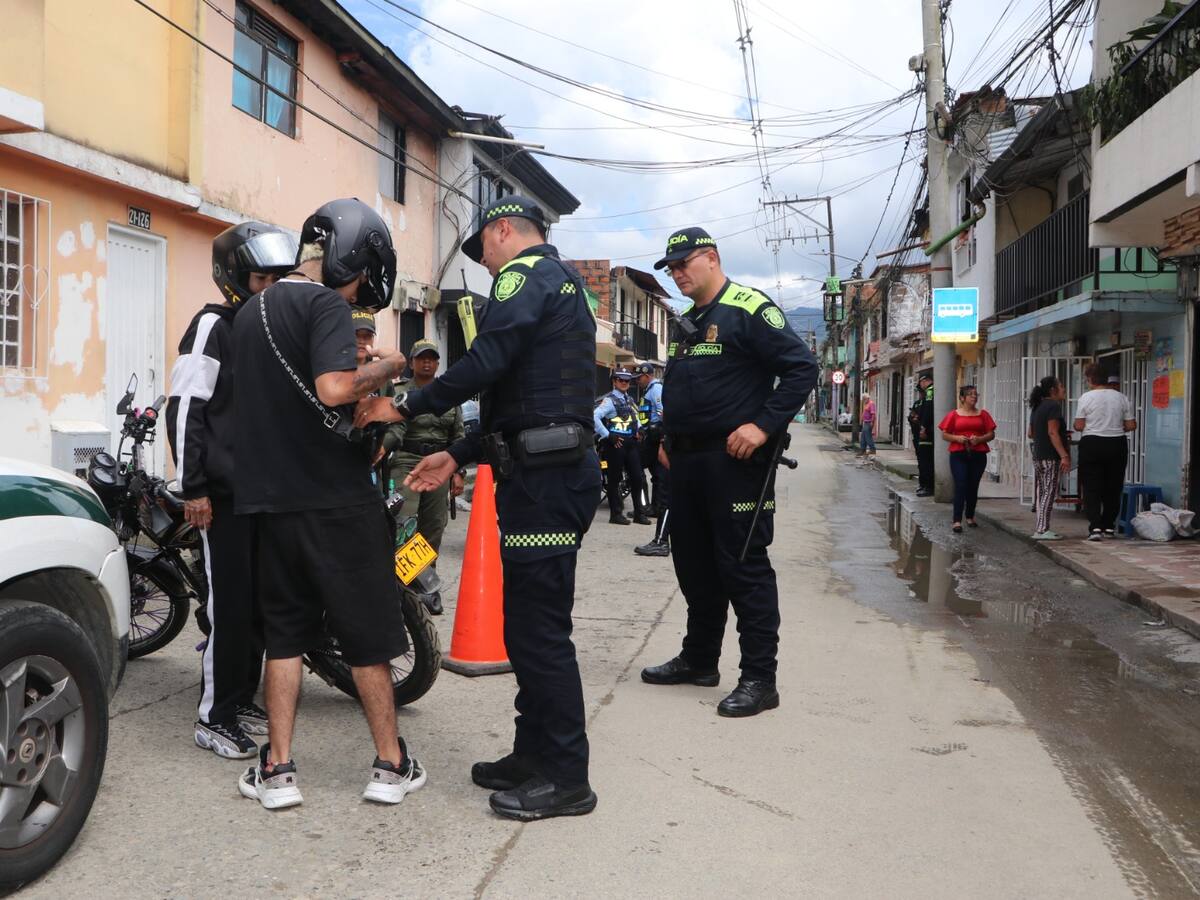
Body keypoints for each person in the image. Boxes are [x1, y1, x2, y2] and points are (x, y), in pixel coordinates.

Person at [353, 195, 601, 821]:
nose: (486, 267)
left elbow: (488, 365)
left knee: (540, 632)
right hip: (544, 468)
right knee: (526, 627)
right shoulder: (564, 281)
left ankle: (568, 777)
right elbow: (520, 395)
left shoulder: (524, 273)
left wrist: (404, 406)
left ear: (503, 231)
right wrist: (459, 452)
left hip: (545, 479)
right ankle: (534, 753)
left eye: (483, 252)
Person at [231, 198, 424, 810]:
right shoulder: (326, 304)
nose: (364, 286)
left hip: (270, 504)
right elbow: (334, 389)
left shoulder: (250, 312)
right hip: (336, 503)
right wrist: (390, 364)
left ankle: (279, 770)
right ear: (353, 258)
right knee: (366, 637)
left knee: (285, 638)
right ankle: (390, 766)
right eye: (365, 272)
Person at [638, 226, 818, 718]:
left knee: (743, 567)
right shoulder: (689, 320)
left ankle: (761, 678)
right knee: (694, 567)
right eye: (670, 269)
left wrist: (762, 426)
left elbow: (802, 367)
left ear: (712, 258)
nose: (677, 274)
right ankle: (699, 659)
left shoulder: (748, 309)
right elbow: (686, 389)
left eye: (683, 265)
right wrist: (669, 442)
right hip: (688, 462)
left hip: (735, 463)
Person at [165, 221, 296, 760]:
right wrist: (194, 486)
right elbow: (185, 407)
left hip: (263, 495)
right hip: (220, 498)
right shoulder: (212, 326)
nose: (268, 287)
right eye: (260, 277)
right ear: (234, 278)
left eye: (275, 278)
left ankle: (239, 698)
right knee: (230, 608)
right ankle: (212, 717)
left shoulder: (261, 329)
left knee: (259, 608)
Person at [377, 338, 466, 615]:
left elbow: (459, 435)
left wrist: (458, 472)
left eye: (432, 358)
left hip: (439, 465)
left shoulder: (449, 393)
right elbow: (395, 427)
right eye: (421, 358)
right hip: (406, 462)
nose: (427, 362)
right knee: (405, 524)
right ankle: (404, 590)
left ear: (438, 362)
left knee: (433, 528)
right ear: (412, 362)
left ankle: (427, 585)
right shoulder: (400, 390)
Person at [1074, 365, 1137, 540]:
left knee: (1091, 486)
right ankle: (1109, 526)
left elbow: (1079, 425)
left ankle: (1095, 527)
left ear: (1090, 379)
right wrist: (1115, 426)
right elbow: (1132, 425)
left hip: (1092, 444)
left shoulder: (1085, 398)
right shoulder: (1122, 398)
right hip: (1117, 443)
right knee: (1113, 485)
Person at [938, 385, 997, 534]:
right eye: (970, 395)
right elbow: (944, 434)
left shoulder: (983, 414)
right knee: (961, 484)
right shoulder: (954, 415)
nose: (974, 397)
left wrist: (980, 439)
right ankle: (957, 520)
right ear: (962, 398)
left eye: (975, 394)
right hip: (959, 454)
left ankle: (970, 516)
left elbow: (991, 434)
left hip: (978, 453)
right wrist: (957, 438)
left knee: (973, 485)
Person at [594, 369, 650, 525]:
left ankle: (639, 513)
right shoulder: (610, 400)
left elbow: (635, 417)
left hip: (631, 444)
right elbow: (595, 416)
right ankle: (616, 514)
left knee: (637, 478)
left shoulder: (629, 399)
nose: (625, 383)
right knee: (614, 479)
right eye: (621, 380)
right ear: (614, 381)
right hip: (616, 444)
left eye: (627, 381)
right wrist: (607, 435)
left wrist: (639, 429)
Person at [1028, 375, 1071, 540]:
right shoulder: (1053, 406)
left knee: (1042, 492)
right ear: (1053, 390)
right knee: (1049, 492)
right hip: (1050, 457)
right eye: (1061, 386)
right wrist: (1064, 455)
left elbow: (1030, 433)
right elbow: (1053, 432)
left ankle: (1040, 527)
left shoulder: (1036, 406)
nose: (1064, 389)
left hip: (1038, 455)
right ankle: (1042, 529)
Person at [634, 361, 670, 557]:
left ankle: (645, 506)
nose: (637, 381)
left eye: (639, 377)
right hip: (655, 437)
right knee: (657, 476)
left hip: (655, 438)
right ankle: (652, 507)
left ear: (647, 375)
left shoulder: (655, 391)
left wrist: (658, 435)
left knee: (636, 470)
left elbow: (661, 413)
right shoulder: (651, 390)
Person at [909, 373, 934, 496]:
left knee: (926, 462)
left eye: (921, 383)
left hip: (927, 433)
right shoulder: (918, 402)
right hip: (920, 433)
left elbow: (929, 411)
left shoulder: (930, 392)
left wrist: (923, 427)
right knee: (922, 461)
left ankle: (928, 486)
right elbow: (912, 416)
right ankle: (924, 484)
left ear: (925, 381)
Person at [859, 392, 877, 456]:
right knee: (863, 437)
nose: (863, 400)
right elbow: (864, 413)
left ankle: (872, 449)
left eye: (864, 399)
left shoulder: (871, 404)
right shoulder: (866, 404)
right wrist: (861, 420)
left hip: (869, 422)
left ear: (867, 398)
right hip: (865, 422)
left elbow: (873, 414)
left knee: (868, 437)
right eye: (863, 399)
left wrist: (872, 422)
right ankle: (862, 450)